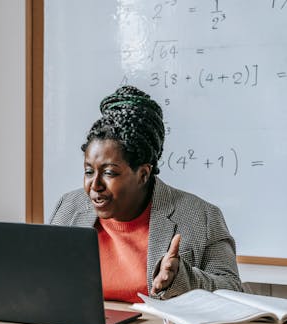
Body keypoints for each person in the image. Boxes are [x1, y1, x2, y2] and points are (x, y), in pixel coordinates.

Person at [49, 85, 242, 302]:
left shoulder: (201, 217)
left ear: (143, 174)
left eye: (109, 172)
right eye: (88, 171)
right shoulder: (69, 207)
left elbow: (233, 290)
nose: (95, 185)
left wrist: (181, 278)